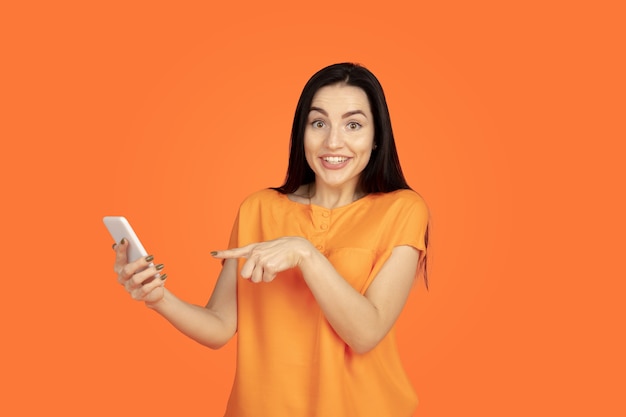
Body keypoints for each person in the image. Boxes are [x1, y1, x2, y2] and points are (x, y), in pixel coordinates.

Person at [113, 62, 430, 416]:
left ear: (376, 139)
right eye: (319, 123)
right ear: (302, 132)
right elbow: (219, 326)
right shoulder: (258, 208)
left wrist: (305, 254)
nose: (333, 141)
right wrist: (158, 298)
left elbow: (366, 333)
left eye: (353, 125)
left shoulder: (403, 209)